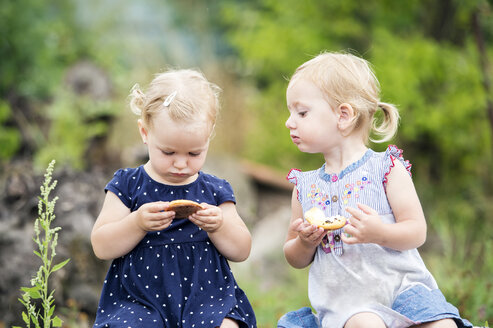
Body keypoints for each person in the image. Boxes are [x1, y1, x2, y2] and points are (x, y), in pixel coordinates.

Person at [278, 52, 474, 328]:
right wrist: (305, 242)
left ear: (343, 115)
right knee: (365, 324)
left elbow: (417, 231)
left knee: (443, 325)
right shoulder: (305, 187)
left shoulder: (386, 168)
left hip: (403, 292)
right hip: (349, 305)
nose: (289, 121)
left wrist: (380, 233)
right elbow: (293, 256)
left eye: (302, 112)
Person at [91, 68, 256, 328]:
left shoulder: (215, 190)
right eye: (168, 152)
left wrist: (219, 226)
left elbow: (242, 250)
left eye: (193, 153)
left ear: (208, 137)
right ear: (144, 133)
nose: (180, 164)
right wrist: (136, 223)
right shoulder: (128, 184)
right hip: (140, 301)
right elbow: (101, 246)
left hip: (206, 299)